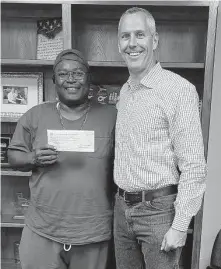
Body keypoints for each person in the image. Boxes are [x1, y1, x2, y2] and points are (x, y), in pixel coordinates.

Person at [113, 7, 207, 269]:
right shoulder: (126, 90)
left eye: (140, 35)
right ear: (118, 43)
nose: (132, 43)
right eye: (125, 36)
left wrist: (179, 226)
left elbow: (195, 166)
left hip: (159, 212)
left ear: (154, 40)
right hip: (122, 209)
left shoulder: (179, 90)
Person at [8, 49, 117, 269]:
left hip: (93, 232)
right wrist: (33, 157)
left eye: (77, 73)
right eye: (63, 74)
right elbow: (12, 156)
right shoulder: (35, 115)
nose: (71, 80)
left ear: (89, 78)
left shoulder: (112, 116)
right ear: (54, 80)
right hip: (42, 229)